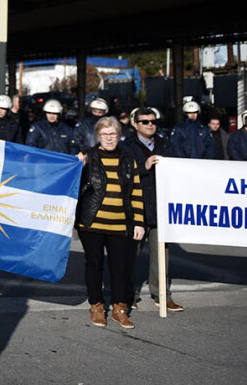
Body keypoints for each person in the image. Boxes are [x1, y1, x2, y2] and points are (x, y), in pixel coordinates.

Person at [76, 116, 146, 329]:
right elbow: (71, 181)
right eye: (105, 134)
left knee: (120, 268)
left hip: (121, 225)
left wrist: (139, 222)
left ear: (119, 136)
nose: (109, 138)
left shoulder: (129, 159)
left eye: (113, 134)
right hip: (91, 224)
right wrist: (77, 165)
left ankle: (119, 308)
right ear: (98, 136)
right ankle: (96, 306)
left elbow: (136, 192)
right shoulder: (87, 156)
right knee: (94, 266)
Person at [120, 108, 182, 311]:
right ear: (135, 124)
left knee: (161, 255)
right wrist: (143, 166)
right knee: (131, 254)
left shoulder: (165, 144)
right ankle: (128, 294)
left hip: (160, 206)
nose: (150, 125)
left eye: (153, 121)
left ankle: (162, 294)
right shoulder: (126, 146)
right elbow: (123, 174)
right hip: (137, 207)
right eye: (145, 121)